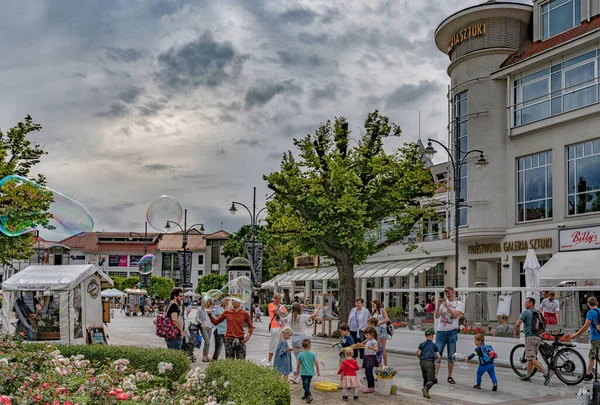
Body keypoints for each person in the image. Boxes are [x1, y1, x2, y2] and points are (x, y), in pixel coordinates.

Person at [514, 297, 551, 385]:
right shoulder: (537, 312)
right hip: (538, 337)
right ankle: (527, 375)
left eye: (526, 303)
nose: (525, 304)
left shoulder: (526, 312)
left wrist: (516, 333)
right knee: (531, 358)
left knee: (530, 358)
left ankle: (545, 373)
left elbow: (517, 324)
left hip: (530, 337)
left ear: (531, 303)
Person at [434, 286, 464, 384]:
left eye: (449, 292)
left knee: (451, 355)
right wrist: (438, 305)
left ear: (453, 292)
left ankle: (449, 376)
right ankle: (434, 376)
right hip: (441, 331)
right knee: (438, 354)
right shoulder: (443, 303)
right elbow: (437, 316)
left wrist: (447, 306)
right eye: (446, 292)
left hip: (452, 331)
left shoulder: (458, 303)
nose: (447, 294)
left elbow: (455, 315)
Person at [571, 296, 600, 380]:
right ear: (597, 303)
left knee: (593, 356)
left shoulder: (591, 312)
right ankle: (588, 373)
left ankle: (587, 374)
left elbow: (585, 326)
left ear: (588, 304)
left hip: (596, 338)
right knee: (594, 356)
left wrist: (575, 335)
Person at [415, 328, 441, 399]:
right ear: (432, 336)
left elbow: (416, 352)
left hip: (422, 362)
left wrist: (419, 358)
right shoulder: (434, 345)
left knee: (425, 378)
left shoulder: (422, 344)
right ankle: (426, 389)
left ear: (425, 336)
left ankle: (425, 394)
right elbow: (438, 355)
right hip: (430, 362)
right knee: (432, 379)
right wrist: (439, 360)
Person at [297, 338, 320, 403]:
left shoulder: (300, 355)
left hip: (304, 373)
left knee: (305, 385)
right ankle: (306, 395)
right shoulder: (312, 354)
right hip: (311, 373)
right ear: (310, 345)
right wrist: (318, 371)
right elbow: (316, 362)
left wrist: (297, 371)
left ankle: (309, 395)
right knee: (307, 384)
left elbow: (298, 364)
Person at [268, 293, 288, 363]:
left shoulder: (281, 306)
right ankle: (269, 360)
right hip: (274, 327)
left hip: (282, 327)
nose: (278, 300)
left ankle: (280, 361)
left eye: (279, 298)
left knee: (282, 344)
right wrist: (281, 312)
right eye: (276, 298)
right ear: (274, 298)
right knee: (273, 344)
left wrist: (281, 312)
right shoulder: (271, 305)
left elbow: (286, 314)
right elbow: (276, 312)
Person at [359, 326, 379, 394]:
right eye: (365, 335)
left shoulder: (373, 341)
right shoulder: (368, 340)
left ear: (372, 334)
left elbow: (376, 350)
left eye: (367, 335)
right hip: (367, 357)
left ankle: (371, 387)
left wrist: (371, 347)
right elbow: (362, 343)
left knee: (368, 373)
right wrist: (359, 344)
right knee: (367, 372)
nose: (366, 336)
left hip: (370, 357)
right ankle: (371, 387)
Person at [371, 299, 390, 366]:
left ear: (377, 304)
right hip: (376, 329)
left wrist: (379, 323)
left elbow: (386, 319)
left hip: (382, 329)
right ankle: (378, 363)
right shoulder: (374, 311)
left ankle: (385, 365)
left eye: (374, 304)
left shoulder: (382, 310)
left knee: (383, 348)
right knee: (377, 346)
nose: (373, 306)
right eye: (372, 304)